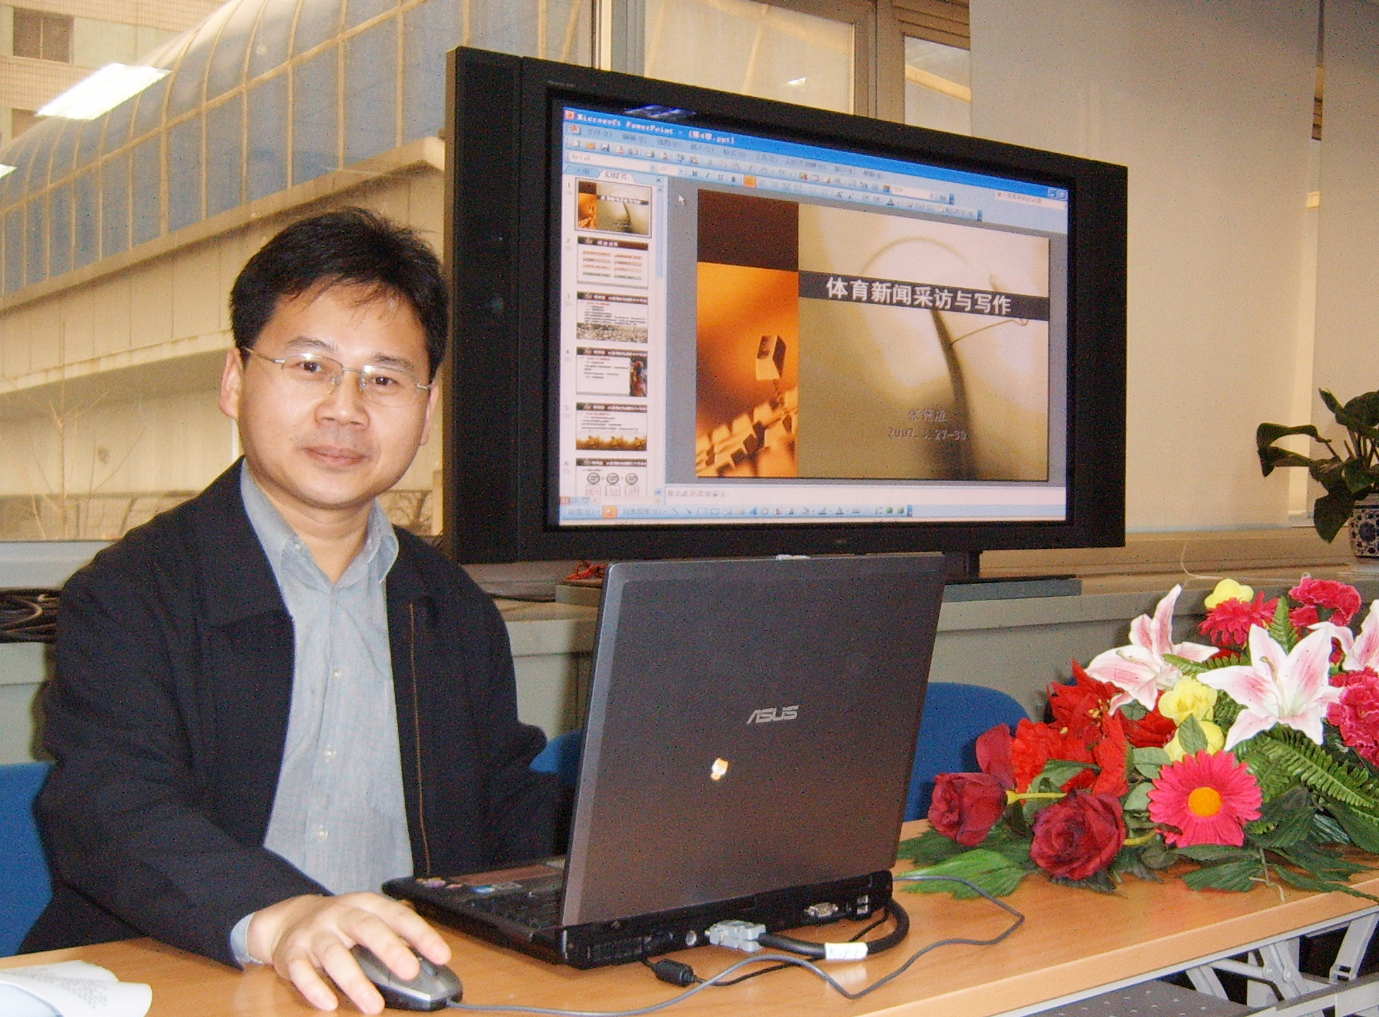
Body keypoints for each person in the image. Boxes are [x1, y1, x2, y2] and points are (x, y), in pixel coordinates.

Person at [22, 208, 566, 1013]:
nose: (345, 408)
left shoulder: (451, 606)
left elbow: (503, 805)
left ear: (426, 411)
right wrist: (283, 915)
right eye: (311, 365)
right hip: (188, 978)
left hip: (409, 985)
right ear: (235, 380)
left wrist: (640, 831)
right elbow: (111, 807)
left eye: (384, 379)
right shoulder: (130, 591)